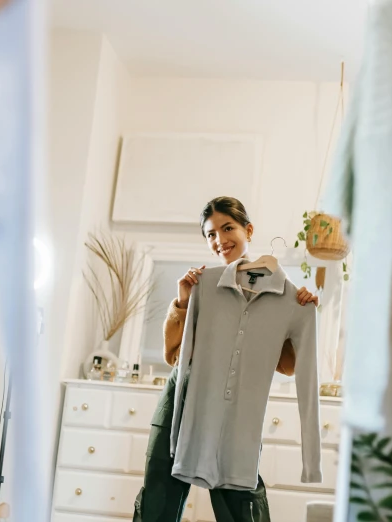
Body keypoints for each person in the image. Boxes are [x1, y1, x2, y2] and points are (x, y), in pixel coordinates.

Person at [132, 196, 318, 522]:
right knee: (158, 499)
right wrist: (182, 302)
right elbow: (175, 356)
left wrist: (300, 312)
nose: (219, 240)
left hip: (236, 410)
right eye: (211, 234)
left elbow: (287, 366)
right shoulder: (202, 285)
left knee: (240, 498)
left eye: (227, 228)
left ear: (248, 230)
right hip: (182, 399)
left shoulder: (285, 293)